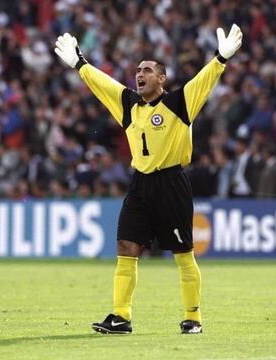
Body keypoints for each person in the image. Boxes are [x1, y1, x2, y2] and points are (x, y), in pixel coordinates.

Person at [54, 24, 242, 335]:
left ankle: (192, 317)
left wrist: (220, 59)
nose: (139, 74)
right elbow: (105, 85)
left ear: (162, 78)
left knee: (183, 254)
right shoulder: (129, 105)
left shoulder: (179, 103)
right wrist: (80, 64)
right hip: (140, 184)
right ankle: (120, 316)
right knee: (126, 246)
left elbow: (203, 82)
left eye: (148, 70)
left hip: (171, 184)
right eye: (138, 70)